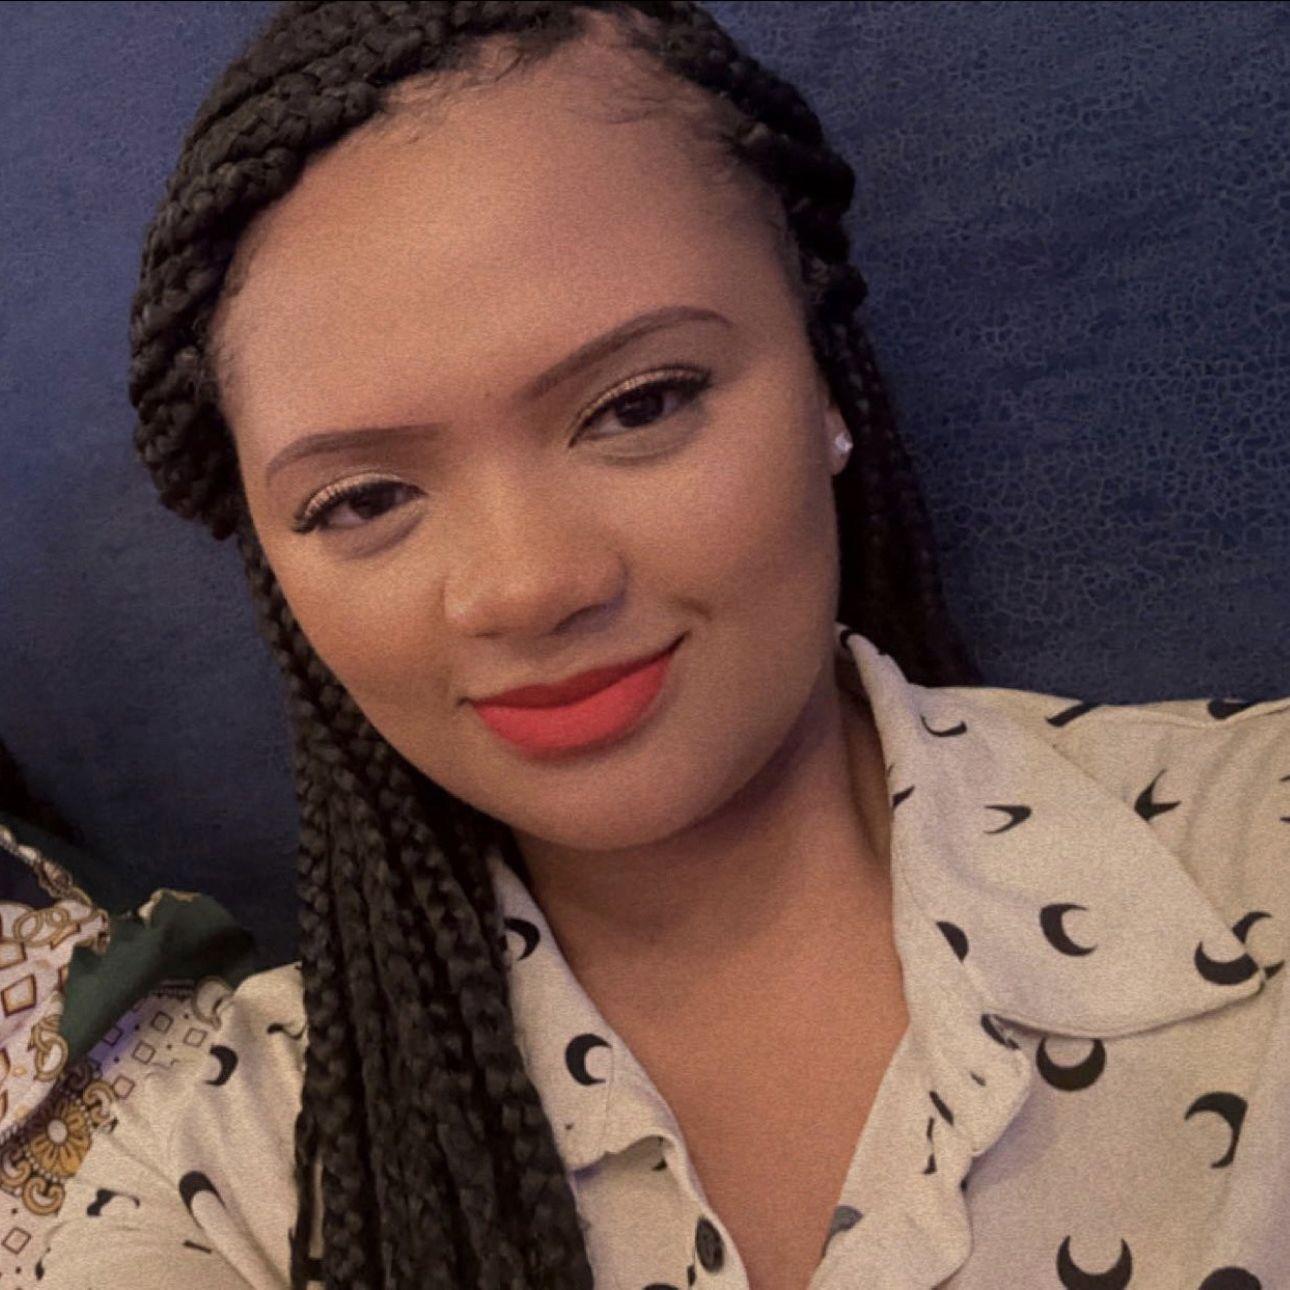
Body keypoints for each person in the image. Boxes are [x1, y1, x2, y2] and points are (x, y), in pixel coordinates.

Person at [36, 2, 1289, 1288]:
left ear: (824, 388)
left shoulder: (1258, 852)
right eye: (361, 500)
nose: (527, 586)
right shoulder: (214, 1167)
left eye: (639, 405)